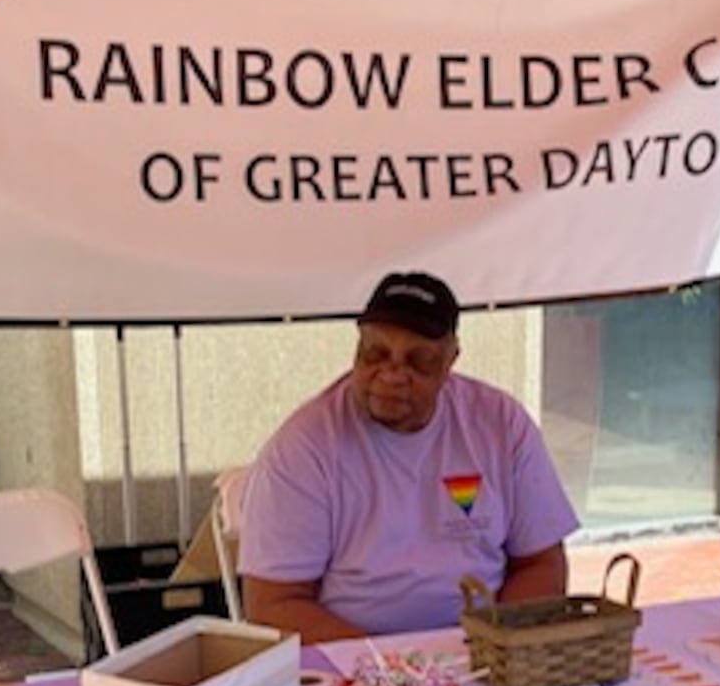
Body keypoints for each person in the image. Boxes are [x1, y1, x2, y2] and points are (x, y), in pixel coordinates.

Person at [238, 271, 577, 639]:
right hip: (356, 667)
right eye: (376, 354)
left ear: (451, 361)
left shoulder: (501, 423)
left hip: (485, 653)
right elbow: (272, 605)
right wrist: (391, 672)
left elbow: (541, 563)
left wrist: (498, 644)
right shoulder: (304, 448)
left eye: (418, 361)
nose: (392, 375)